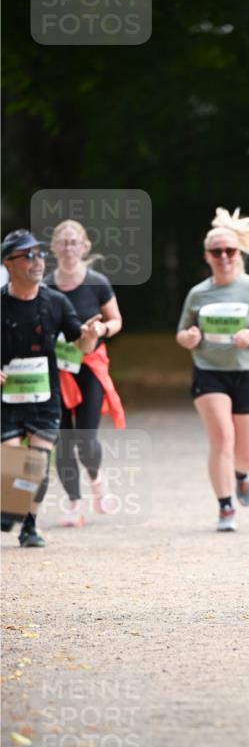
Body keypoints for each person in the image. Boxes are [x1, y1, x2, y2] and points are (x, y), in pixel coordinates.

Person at [176, 206, 249, 532]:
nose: (223, 256)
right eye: (216, 251)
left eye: (229, 250)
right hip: (209, 371)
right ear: (207, 256)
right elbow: (182, 333)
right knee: (222, 438)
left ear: (239, 253)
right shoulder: (198, 293)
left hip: (247, 371)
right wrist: (190, 338)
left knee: (247, 454)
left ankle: (241, 475)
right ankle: (225, 506)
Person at [1, 229, 101, 546]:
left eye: (39, 254)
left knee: (38, 463)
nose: (37, 261)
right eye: (27, 255)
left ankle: (29, 526)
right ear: (8, 263)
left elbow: (80, 344)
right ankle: (11, 504)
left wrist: (89, 337)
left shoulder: (55, 302)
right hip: (6, 398)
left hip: (44, 397)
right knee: (13, 457)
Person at [45, 219, 125, 527]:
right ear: (54, 248)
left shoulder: (97, 282)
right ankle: (73, 504)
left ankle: (96, 478)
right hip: (58, 369)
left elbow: (116, 320)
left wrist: (102, 329)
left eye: (73, 242)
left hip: (89, 365)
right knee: (62, 439)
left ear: (84, 246)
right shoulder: (45, 286)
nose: (68, 248)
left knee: (85, 438)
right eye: (63, 242)